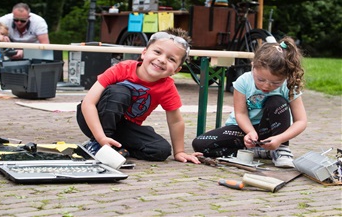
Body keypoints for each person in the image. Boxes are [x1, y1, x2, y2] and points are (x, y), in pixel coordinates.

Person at [77, 28, 202, 164]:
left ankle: (119, 148)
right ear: (144, 53)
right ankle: (97, 145)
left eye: (171, 59)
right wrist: (101, 138)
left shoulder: (167, 87)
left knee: (161, 150)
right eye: (157, 52)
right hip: (93, 118)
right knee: (119, 93)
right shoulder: (121, 69)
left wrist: (179, 152)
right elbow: (88, 103)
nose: (161, 60)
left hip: (124, 127)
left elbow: (176, 121)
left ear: (176, 70)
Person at [192, 36, 307, 168]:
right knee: (200, 144)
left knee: (277, 101)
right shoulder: (243, 81)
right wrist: (250, 132)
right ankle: (255, 151)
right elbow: (240, 114)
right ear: (253, 66)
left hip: (271, 131)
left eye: (275, 83)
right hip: (244, 129)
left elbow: (301, 121)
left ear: (286, 77)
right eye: (261, 80)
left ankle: (280, 150)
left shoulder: (289, 85)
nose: (266, 86)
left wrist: (280, 139)